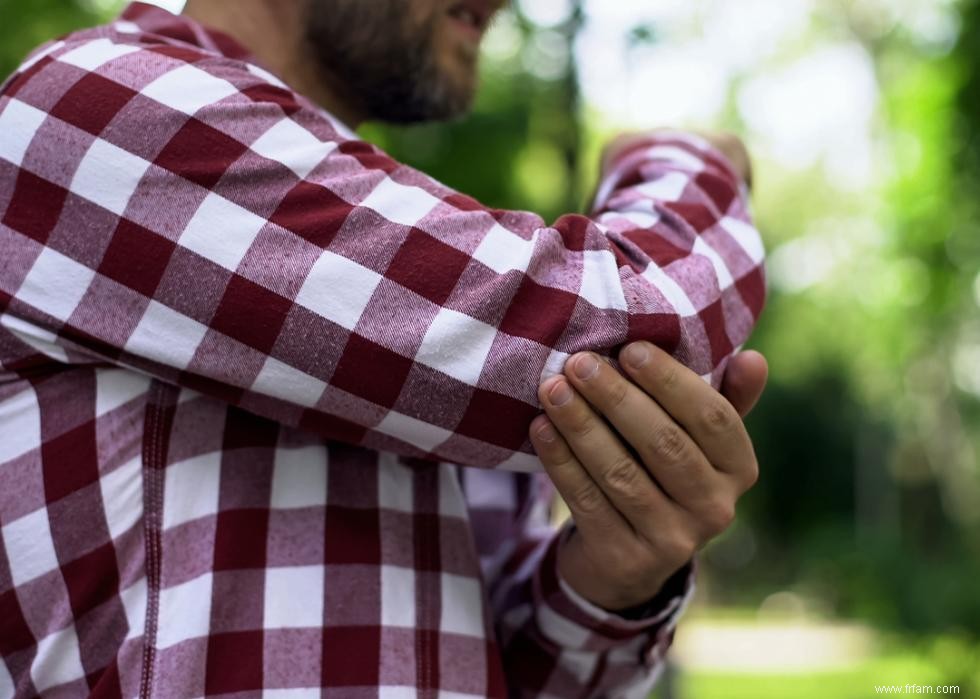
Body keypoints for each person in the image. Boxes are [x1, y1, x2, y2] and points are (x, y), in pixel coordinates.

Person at [0, 1, 766, 697]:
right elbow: (652, 318)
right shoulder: (96, 103)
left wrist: (613, 582)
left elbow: (514, 676)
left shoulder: (391, 240)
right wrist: (687, 161)